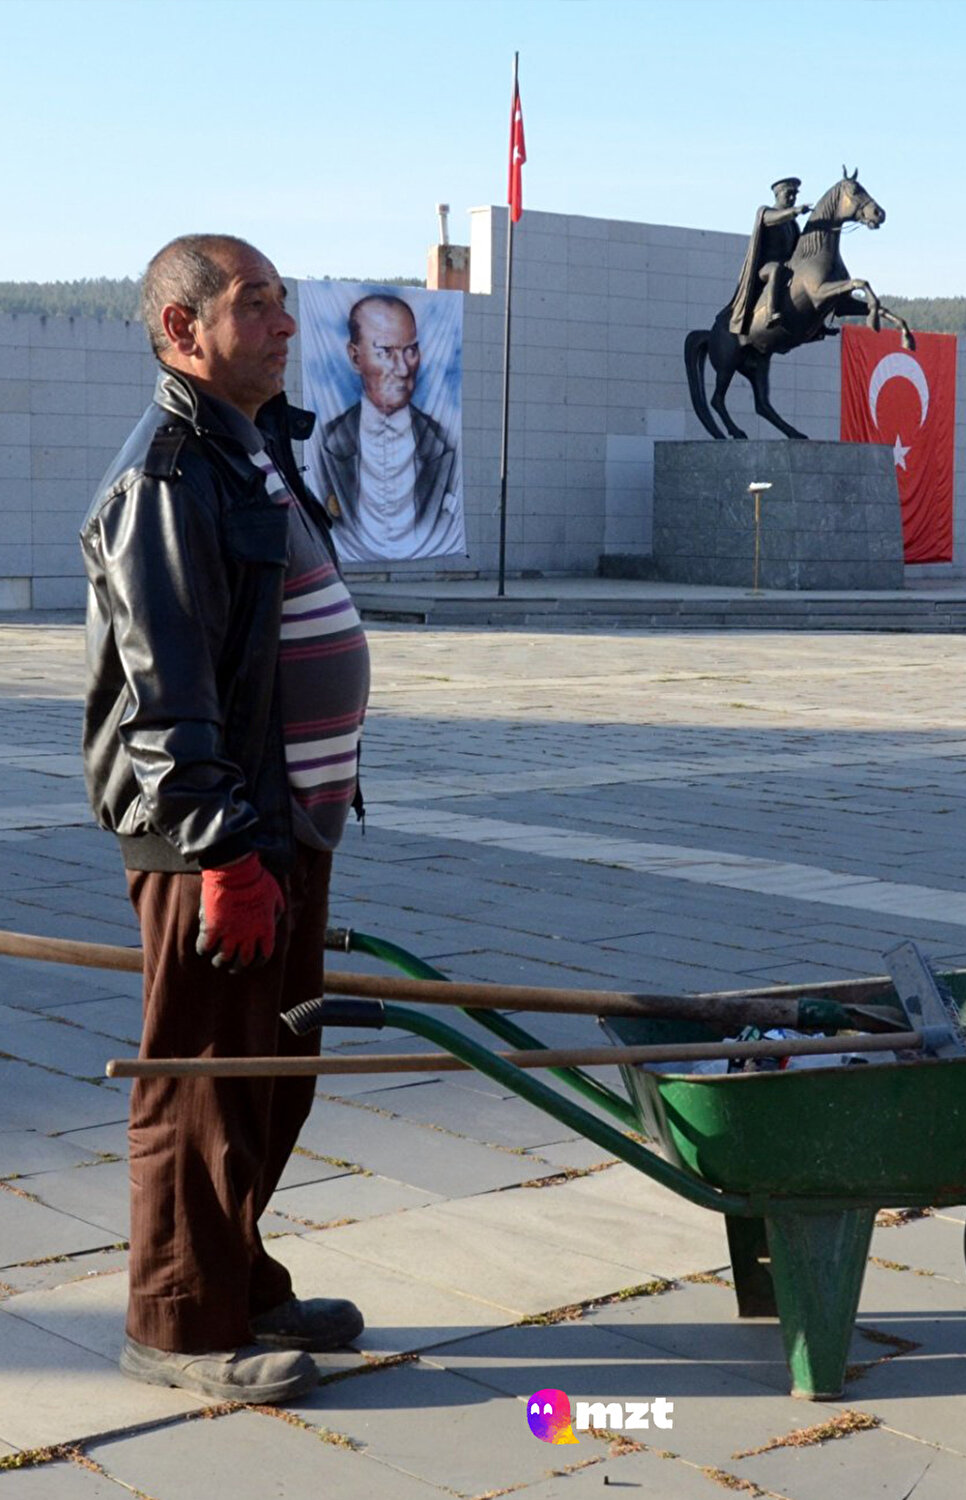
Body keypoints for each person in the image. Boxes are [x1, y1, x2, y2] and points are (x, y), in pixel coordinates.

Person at [80, 233, 371, 1404]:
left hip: (278, 822)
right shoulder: (165, 474)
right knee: (203, 1077)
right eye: (257, 306)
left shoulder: (246, 452)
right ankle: (182, 1327)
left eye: (285, 303)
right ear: (181, 330)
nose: (288, 326)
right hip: (220, 835)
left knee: (269, 1069)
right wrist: (221, 852)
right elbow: (169, 683)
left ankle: (239, 1279)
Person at [312, 294, 463, 563]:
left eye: (411, 350)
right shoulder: (326, 443)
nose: (403, 368)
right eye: (386, 352)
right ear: (356, 358)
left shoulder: (443, 443)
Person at [730, 177, 811, 337]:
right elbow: (773, 219)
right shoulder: (766, 212)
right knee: (776, 269)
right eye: (789, 193)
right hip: (765, 268)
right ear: (778, 194)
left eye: (795, 194)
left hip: (787, 267)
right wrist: (795, 211)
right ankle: (770, 312)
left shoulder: (792, 224)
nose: (793, 198)